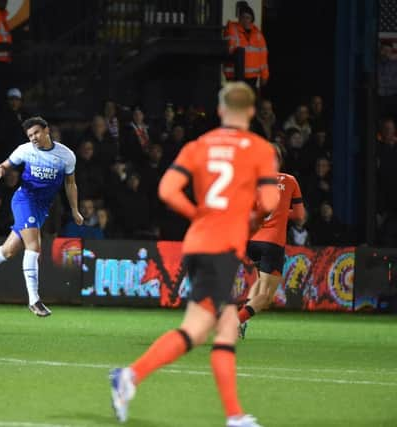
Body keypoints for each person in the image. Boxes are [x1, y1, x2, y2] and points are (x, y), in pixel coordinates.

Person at [109, 82, 279, 427]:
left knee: (200, 330)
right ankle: (234, 417)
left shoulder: (199, 145)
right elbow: (271, 203)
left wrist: (198, 213)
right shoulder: (260, 149)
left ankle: (129, 377)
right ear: (250, 112)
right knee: (224, 326)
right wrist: (247, 215)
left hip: (198, 243)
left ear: (219, 111)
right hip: (222, 248)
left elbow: (167, 189)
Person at [0, 116, 83, 317]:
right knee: (34, 246)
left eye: (36, 132)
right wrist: (0, 169)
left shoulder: (66, 155)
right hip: (23, 200)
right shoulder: (25, 150)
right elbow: (5, 165)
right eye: (30, 135)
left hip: (41, 208)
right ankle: (34, 300)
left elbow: (70, 184)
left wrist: (75, 210)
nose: (34, 138)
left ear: (47, 130)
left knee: (8, 251)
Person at [238, 145, 305, 338]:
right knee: (266, 297)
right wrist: (283, 212)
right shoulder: (290, 181)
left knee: (260, 283)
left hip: (252, 242)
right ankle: (235, 320)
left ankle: (242, 322)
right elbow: (300, 215)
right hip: (272, 243)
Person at [223, 2, 268, 93]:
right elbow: (230, 49)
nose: (245, 20)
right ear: (239, 18)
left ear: (252, 20)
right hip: (234, 76)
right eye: (243, 17)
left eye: (248, 18)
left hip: (252, 78)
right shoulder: (232, 30)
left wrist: (264, 76)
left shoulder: (258, 35)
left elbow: (263, 58)